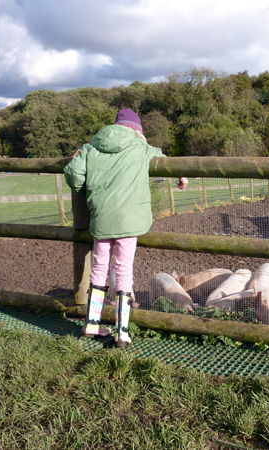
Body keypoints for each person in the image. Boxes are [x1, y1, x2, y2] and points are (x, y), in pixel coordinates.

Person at [64, 109, 188, 347]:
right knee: (123, 270)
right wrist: (181, 175)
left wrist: (90, 195)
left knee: (99, 268)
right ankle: (122, 330)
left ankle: (92, 323)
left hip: (101, 218)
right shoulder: (141, 147)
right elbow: (165, 159)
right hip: (129, 221)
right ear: (137, 130)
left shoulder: (90, 148)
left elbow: (74, 173)